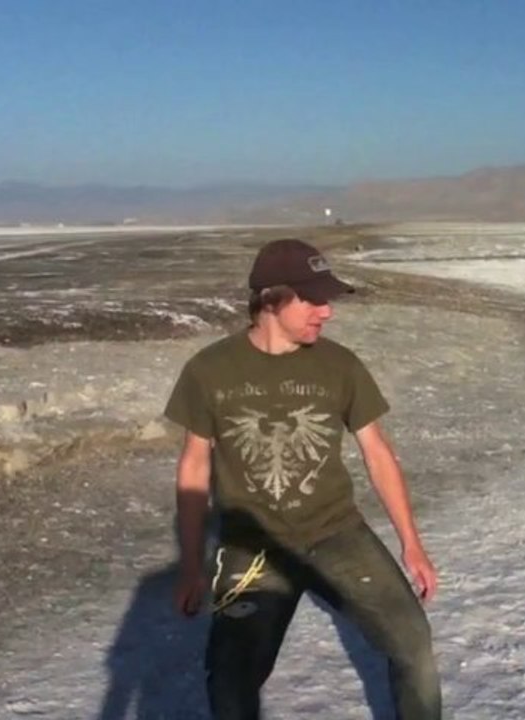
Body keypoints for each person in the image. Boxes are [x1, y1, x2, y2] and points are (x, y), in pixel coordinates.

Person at [164, 238, 441, 719]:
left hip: (336, 531)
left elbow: (378, 453)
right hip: (254, 546)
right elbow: (193, 466)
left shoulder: (340, 365)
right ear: (272, 300)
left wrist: (411, 543)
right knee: (230, 677)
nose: (326, 312)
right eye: (313, 299)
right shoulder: (210, 370)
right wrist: (192, 565)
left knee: (413, 643)